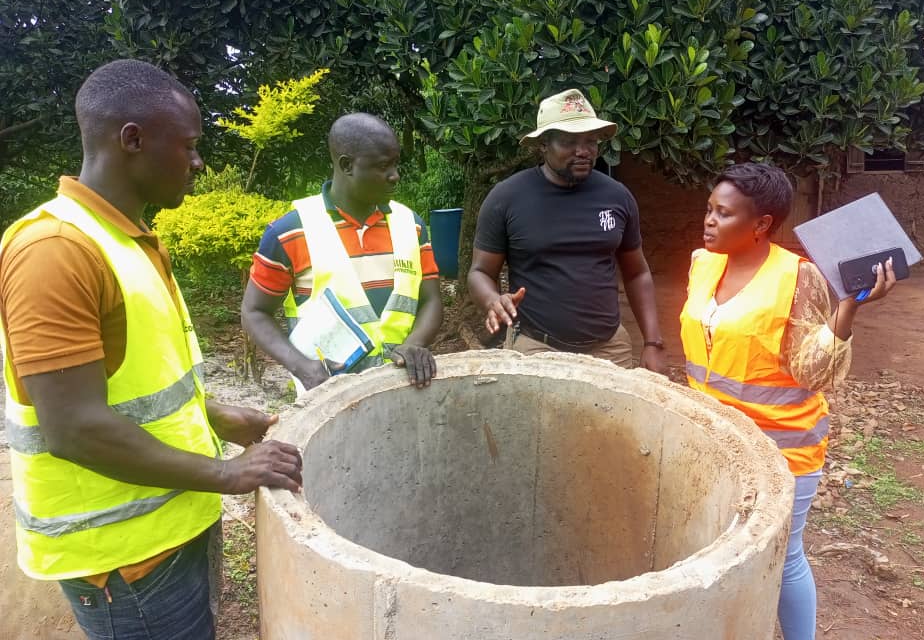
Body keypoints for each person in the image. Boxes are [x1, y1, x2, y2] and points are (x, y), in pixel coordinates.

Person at [0, 59, 303, 640]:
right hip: (126, 561)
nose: (198, 162)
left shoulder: (127, 240)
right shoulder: (56, 250)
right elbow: (74, 428)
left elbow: (134, 383)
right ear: (132, 140)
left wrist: (211, 415)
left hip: (169, 529)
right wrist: (226, 473)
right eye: (188, 145)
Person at [679, 162, 896, 640]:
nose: (709, 220)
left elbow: (815, 373)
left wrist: (847, 310)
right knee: (717, 545)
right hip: (714, 440)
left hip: (782, 449)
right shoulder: (702, 263)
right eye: (709, 209)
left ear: (761, 224)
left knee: (783, 553)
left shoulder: (797, 277)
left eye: (724, 213)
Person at [242, 113, 443, 391]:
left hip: (402, 391)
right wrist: (301, 366)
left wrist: (414, 344)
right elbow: (254, 311)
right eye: (383, 166)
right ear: (347, 165)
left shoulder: (412, 225)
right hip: (328, 397)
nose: (395, 176)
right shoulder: (291, 232)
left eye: (396, 164)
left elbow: (431, 300)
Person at [469, 89, 665, 371]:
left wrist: (653, 342)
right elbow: (480, 272)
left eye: (590, 141)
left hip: (610, 349)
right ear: (543, 144)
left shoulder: (617, 197)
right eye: (569, 141)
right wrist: (492, 300)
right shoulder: (506, 198)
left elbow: (637, 273)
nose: (583, 151)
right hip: (535, 348)